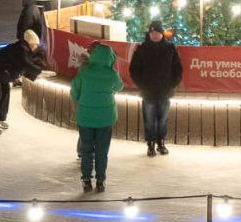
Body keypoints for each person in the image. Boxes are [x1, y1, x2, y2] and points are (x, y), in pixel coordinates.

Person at [71, 42, 124, 192]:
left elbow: (74, 93)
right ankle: (100, 180)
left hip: (85, 117)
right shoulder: (112, 74)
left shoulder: (84, 72)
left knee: (86, 150)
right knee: (102, 151)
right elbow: (119, 87)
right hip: (105, 118)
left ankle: (86, 180)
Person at [129, 20, 184, 156]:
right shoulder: (142, 49)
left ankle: (161, 143)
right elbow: (134, 69)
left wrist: (172, 85)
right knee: (149, 121)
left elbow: (178, 69)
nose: (154, 35)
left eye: (157, 32)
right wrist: (142, 85)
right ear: (149, 34)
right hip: (148, 93)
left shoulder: (170, 48)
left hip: (165, 93)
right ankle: (150, 144)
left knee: (163, 121)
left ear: (162, 34)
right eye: (152, 32)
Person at [0, 30, 45, 134]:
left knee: (5, 91)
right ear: (30, 43)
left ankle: (0, 118)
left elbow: (23, 68)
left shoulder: (24, 50)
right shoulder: (21, 49)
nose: (36, 48)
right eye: (35, 45)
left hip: (2, 70)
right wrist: (39, 72)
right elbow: (25, 65)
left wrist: (37, 74)